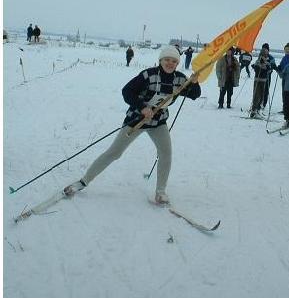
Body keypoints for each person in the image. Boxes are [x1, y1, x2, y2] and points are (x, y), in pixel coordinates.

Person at [63, 45, 201, 205]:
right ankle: (83, 181)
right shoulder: (148, 75)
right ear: (160, 60)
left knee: (166, 153)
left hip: (159, 122)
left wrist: (195, 83)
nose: (170, 63)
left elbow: (193, 95)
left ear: (177, 63)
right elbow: (127, 91)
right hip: (136, 120)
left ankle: (160, 192)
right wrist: (143, 107)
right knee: (114, 153)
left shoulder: (180, 79)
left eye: (174, 61)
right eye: (167, 60)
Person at [250, 47, 274, 117]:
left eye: (266, 54)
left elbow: (269, 70)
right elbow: (256, 69)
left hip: (264, 81)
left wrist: (267, 68)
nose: (264, 56)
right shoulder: (258, 61)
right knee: (256, 95)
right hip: (257, 80)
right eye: (263, 55)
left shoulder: (268, 62)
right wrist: (258, 67)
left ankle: (258, 110)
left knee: (262, 95)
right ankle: (253, 110)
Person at [277, 43, 289, 113]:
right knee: (284, 93)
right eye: (285, 49)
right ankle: (284, 109)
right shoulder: (284, 58)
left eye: (288, 49)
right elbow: (281, 65)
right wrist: (279, 67)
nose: (287, 51)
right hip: (284, 79)